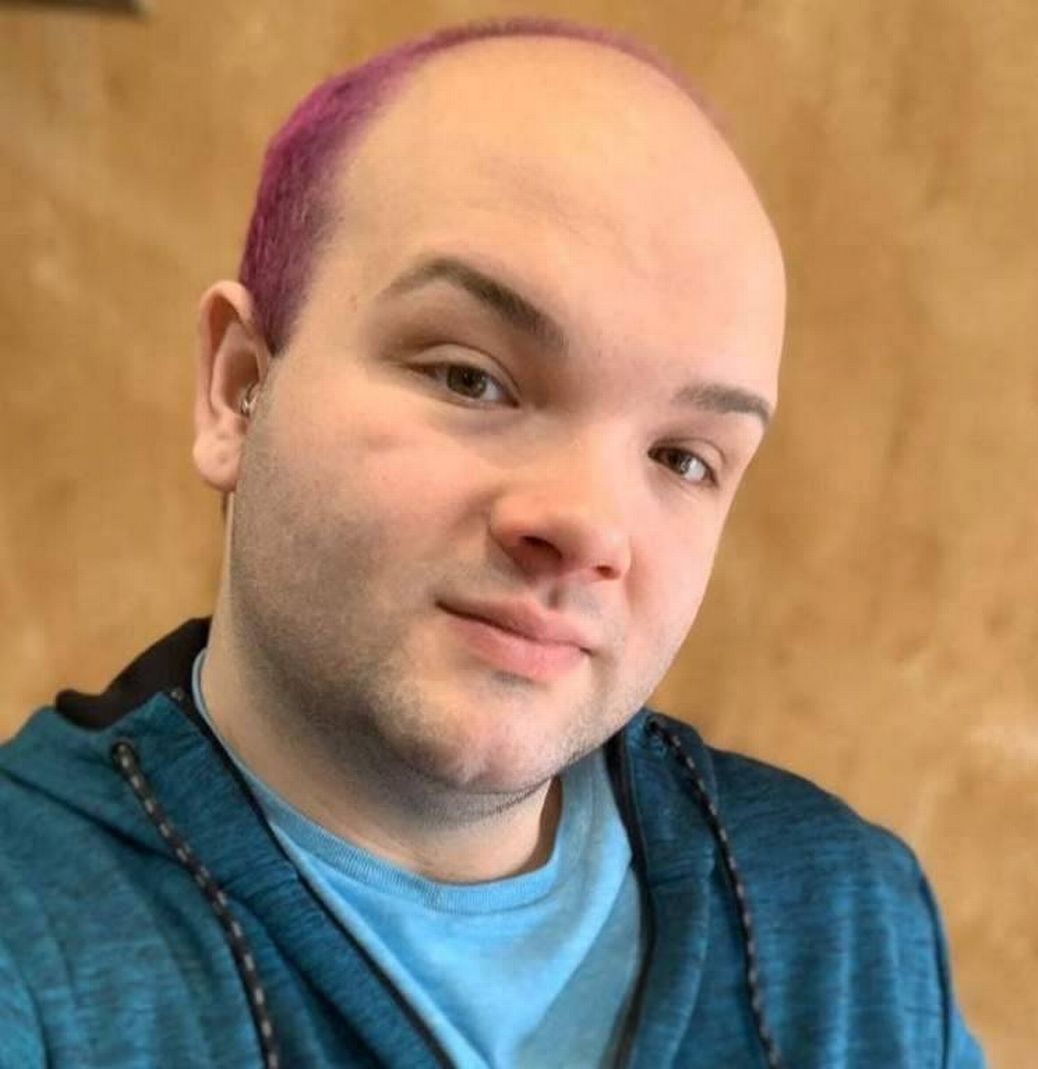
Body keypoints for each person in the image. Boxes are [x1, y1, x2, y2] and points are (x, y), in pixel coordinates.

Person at [0, 17, 985, 1069]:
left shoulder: (850, 929)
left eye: (683, 457)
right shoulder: (32, 942)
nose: (587, 526)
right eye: (472, 377)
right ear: (240, 389)